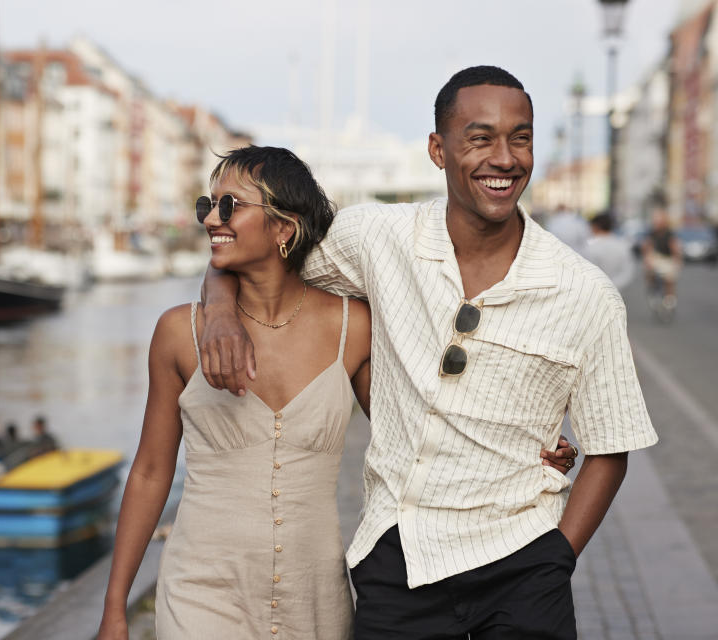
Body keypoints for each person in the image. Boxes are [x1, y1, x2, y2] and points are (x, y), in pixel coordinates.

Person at [200, 67, 656, 639]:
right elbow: (256, 249)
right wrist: (219, 313)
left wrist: (557, 557)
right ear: (438, 150)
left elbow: (611, 446)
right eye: (480, 137)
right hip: (399, 558)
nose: (505, 157)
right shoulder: (376, 238)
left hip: (524, 558)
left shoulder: (585, 294)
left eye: (521, 137)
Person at [99, 145, 577, 639]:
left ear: (284, 228)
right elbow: (151, 472)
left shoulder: (352, 327)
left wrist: (522, 452)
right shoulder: (180, 333)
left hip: (315, 597)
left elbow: (417, 432)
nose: (210, 220)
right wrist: (115, 608)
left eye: (230, 206)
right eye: (207, 205)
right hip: (200, 591)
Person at [642, 190, 682, 310]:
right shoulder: (652, 233)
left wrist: (677, 260)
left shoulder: (669, 233)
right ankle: (653, 290)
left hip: (667, 258)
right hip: (657, 256)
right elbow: (648, 246)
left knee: (670, 278)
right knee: (649, 270)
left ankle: (670, 299)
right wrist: (647, 258)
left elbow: (675, 247)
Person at [585, 211, 635, 291]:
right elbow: (627, 272)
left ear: (596, 226)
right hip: (617, 293)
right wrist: (612, 286)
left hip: (594, 292)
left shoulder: (590, 247)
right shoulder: (622, 246)